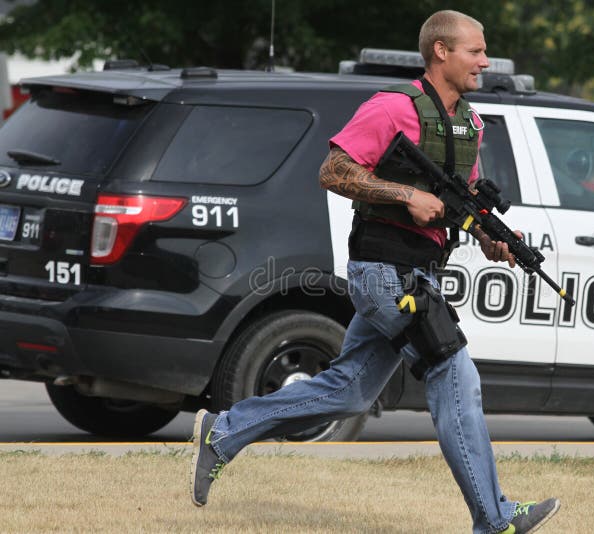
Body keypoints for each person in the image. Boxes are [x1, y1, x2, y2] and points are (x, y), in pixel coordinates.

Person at [190, 10, 560, 533]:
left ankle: (224, 432)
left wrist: (492, 237)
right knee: (455, 375)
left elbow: (464, 204)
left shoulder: (468, 123)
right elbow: (333, 170)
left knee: (350, 391)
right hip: (386, 272)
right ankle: (494, 518)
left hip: (418, 273)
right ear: (441, 52)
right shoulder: (392, 108)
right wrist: (405, 193)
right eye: (475, 51)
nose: (484, 61)